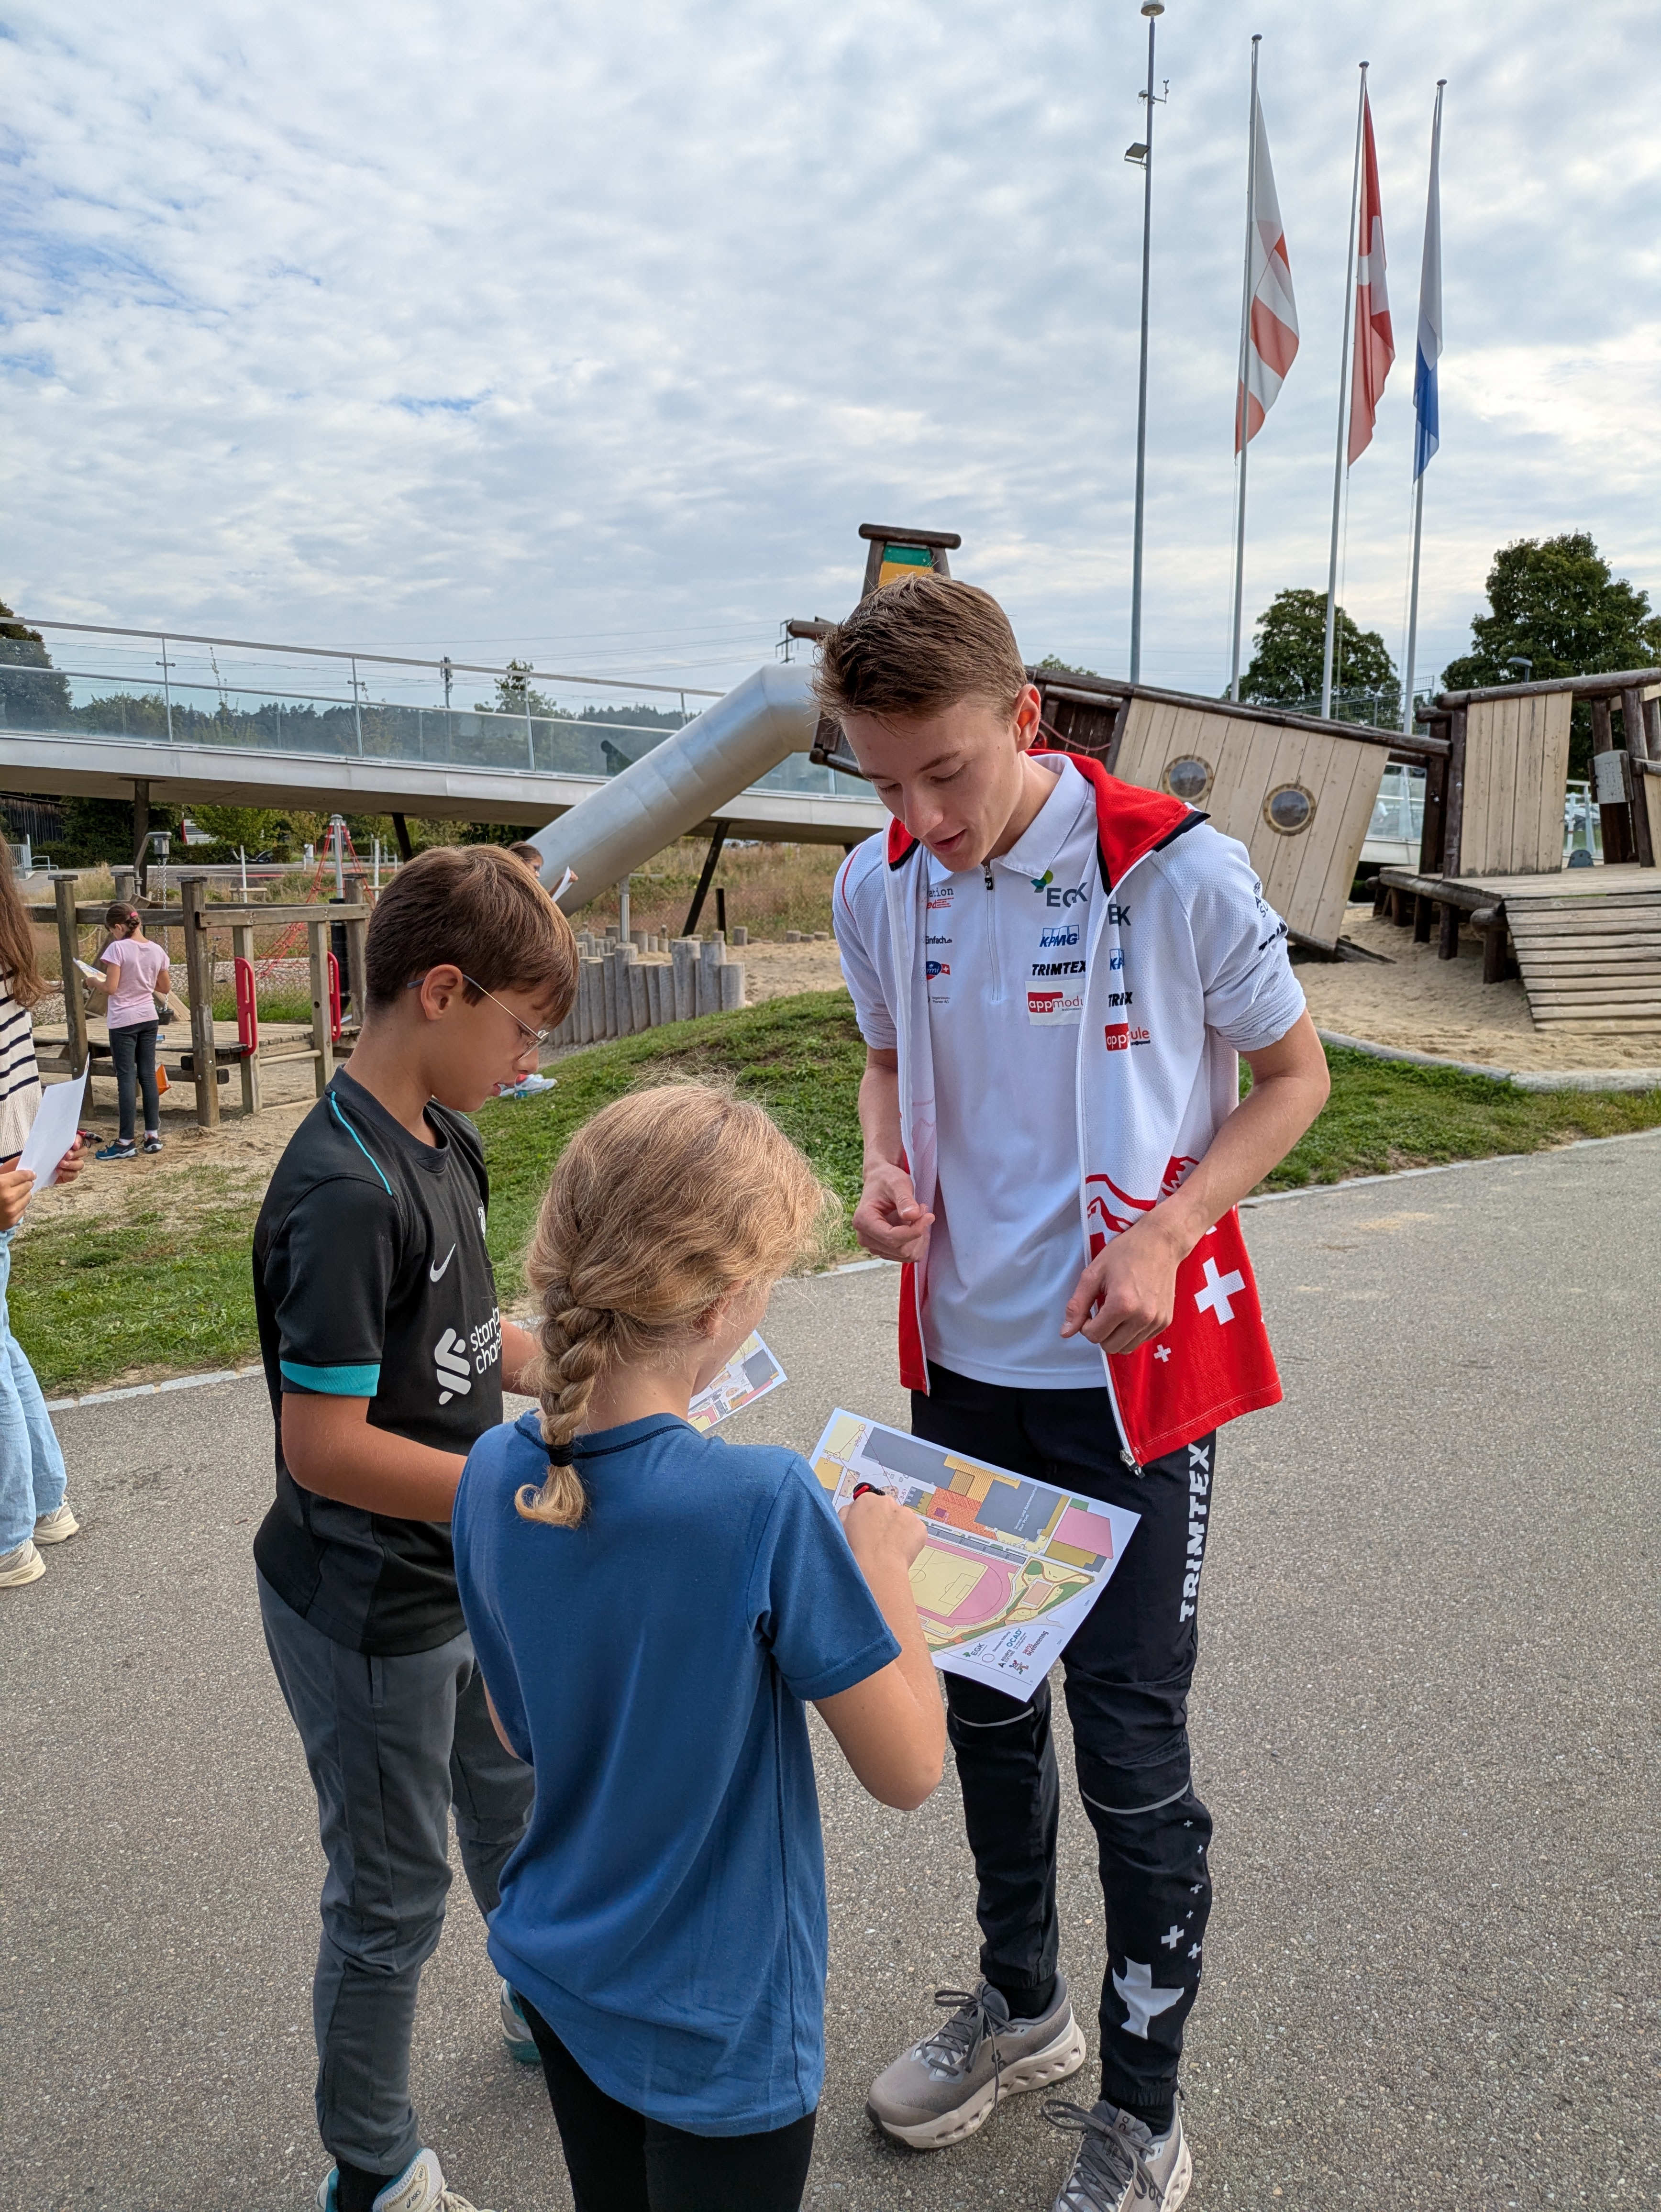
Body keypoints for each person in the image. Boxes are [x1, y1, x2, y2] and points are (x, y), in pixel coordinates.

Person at [821, 575, 1331, 2212]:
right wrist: (882, 1159)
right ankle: (1021, 2002)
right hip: (964, 1370)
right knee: (982, 1706)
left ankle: (1144, 2110)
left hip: (1129, 1387)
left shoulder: (1177, 870)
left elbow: (1294, 1077)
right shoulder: (876, 882)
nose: (919, 817)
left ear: (1026, 718)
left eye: (947, 771)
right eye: (882, 780)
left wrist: (1174, 1227)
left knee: (1128, 1750)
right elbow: (885, 1059)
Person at [452, 1083, 946, 2212]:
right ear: (724, 1305)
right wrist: (880, 1569)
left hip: (562, 1970)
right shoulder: (763, 1500)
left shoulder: (489, 1471)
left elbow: (513, 1728)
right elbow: (910, 1765)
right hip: (716, 2022)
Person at [251, 845, 579, 2212]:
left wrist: (577, 1373)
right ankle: (374, 2165)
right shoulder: (342, 1189)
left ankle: (542, 1998)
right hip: (368, 1605)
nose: (528, 1062)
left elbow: (463, 1341)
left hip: (466, 1580)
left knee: (515, 1816)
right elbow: (323, 1446)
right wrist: (510, 1487)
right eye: (522, 1030)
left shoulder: (449, 1139)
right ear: (442, 992)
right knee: (390, 1897)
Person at [0, 840, 86, 1590]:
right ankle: (46, 1504)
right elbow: (18, 1097)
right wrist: (49, 1158)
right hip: (14, 1183)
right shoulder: (10, 977)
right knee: (2, 1346)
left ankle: (7, 1539)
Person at [86, 902, 169, 1159]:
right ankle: (152, 1135)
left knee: (126, 1077)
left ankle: (125, 1141)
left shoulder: (118, 948)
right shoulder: (156, 950)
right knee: (147, 1074)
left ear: (118, 927)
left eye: (112, 931)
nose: (113, 935)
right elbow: (164, 987)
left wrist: (93, 981)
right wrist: (142, 979)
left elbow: (111, 988)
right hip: (148, 1017)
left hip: (124, 1019)